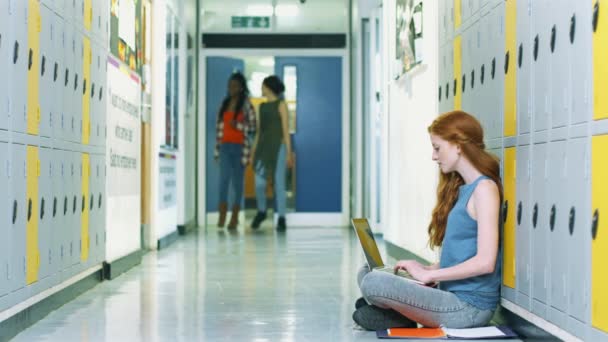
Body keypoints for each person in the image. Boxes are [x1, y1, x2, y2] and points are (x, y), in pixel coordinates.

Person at [353, 111, 503, 330]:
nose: (434, 156)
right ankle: (397, 314)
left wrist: (430, 274)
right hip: (447, 293)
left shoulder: (485, 190)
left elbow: (485, 262)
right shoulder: (463, 189)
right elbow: (463, 255)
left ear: (458, 146)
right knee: (367, 271)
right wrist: (427, 268)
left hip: (468, 309)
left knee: (374, 282)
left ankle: (395, 315)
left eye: (437, 147)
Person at [249, 76, 294, 232]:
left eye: (262, 86)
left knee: (279, 184)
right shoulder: (260, 107)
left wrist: (289, 153)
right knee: (259, 183)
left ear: (269, 87)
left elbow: (285, 131)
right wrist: (253, 152)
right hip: (262, 149)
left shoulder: (281, 105)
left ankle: (281, 218)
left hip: (278, 148)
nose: (261, 89)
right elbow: (259, 132)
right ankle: (262, 211)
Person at [214, 72, 256, 229]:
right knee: (223, 181)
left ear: (241, 88)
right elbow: (219, 129)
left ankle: (235, 217)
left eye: (235, 86)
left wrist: (237, 125)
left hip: (240, 148)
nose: (231, 88)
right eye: (230, 85)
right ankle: (222, 214)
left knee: (238, 184)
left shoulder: (247, 105)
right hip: (224, 147)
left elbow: (253, 128)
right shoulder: (224, 104)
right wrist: (217, 151)